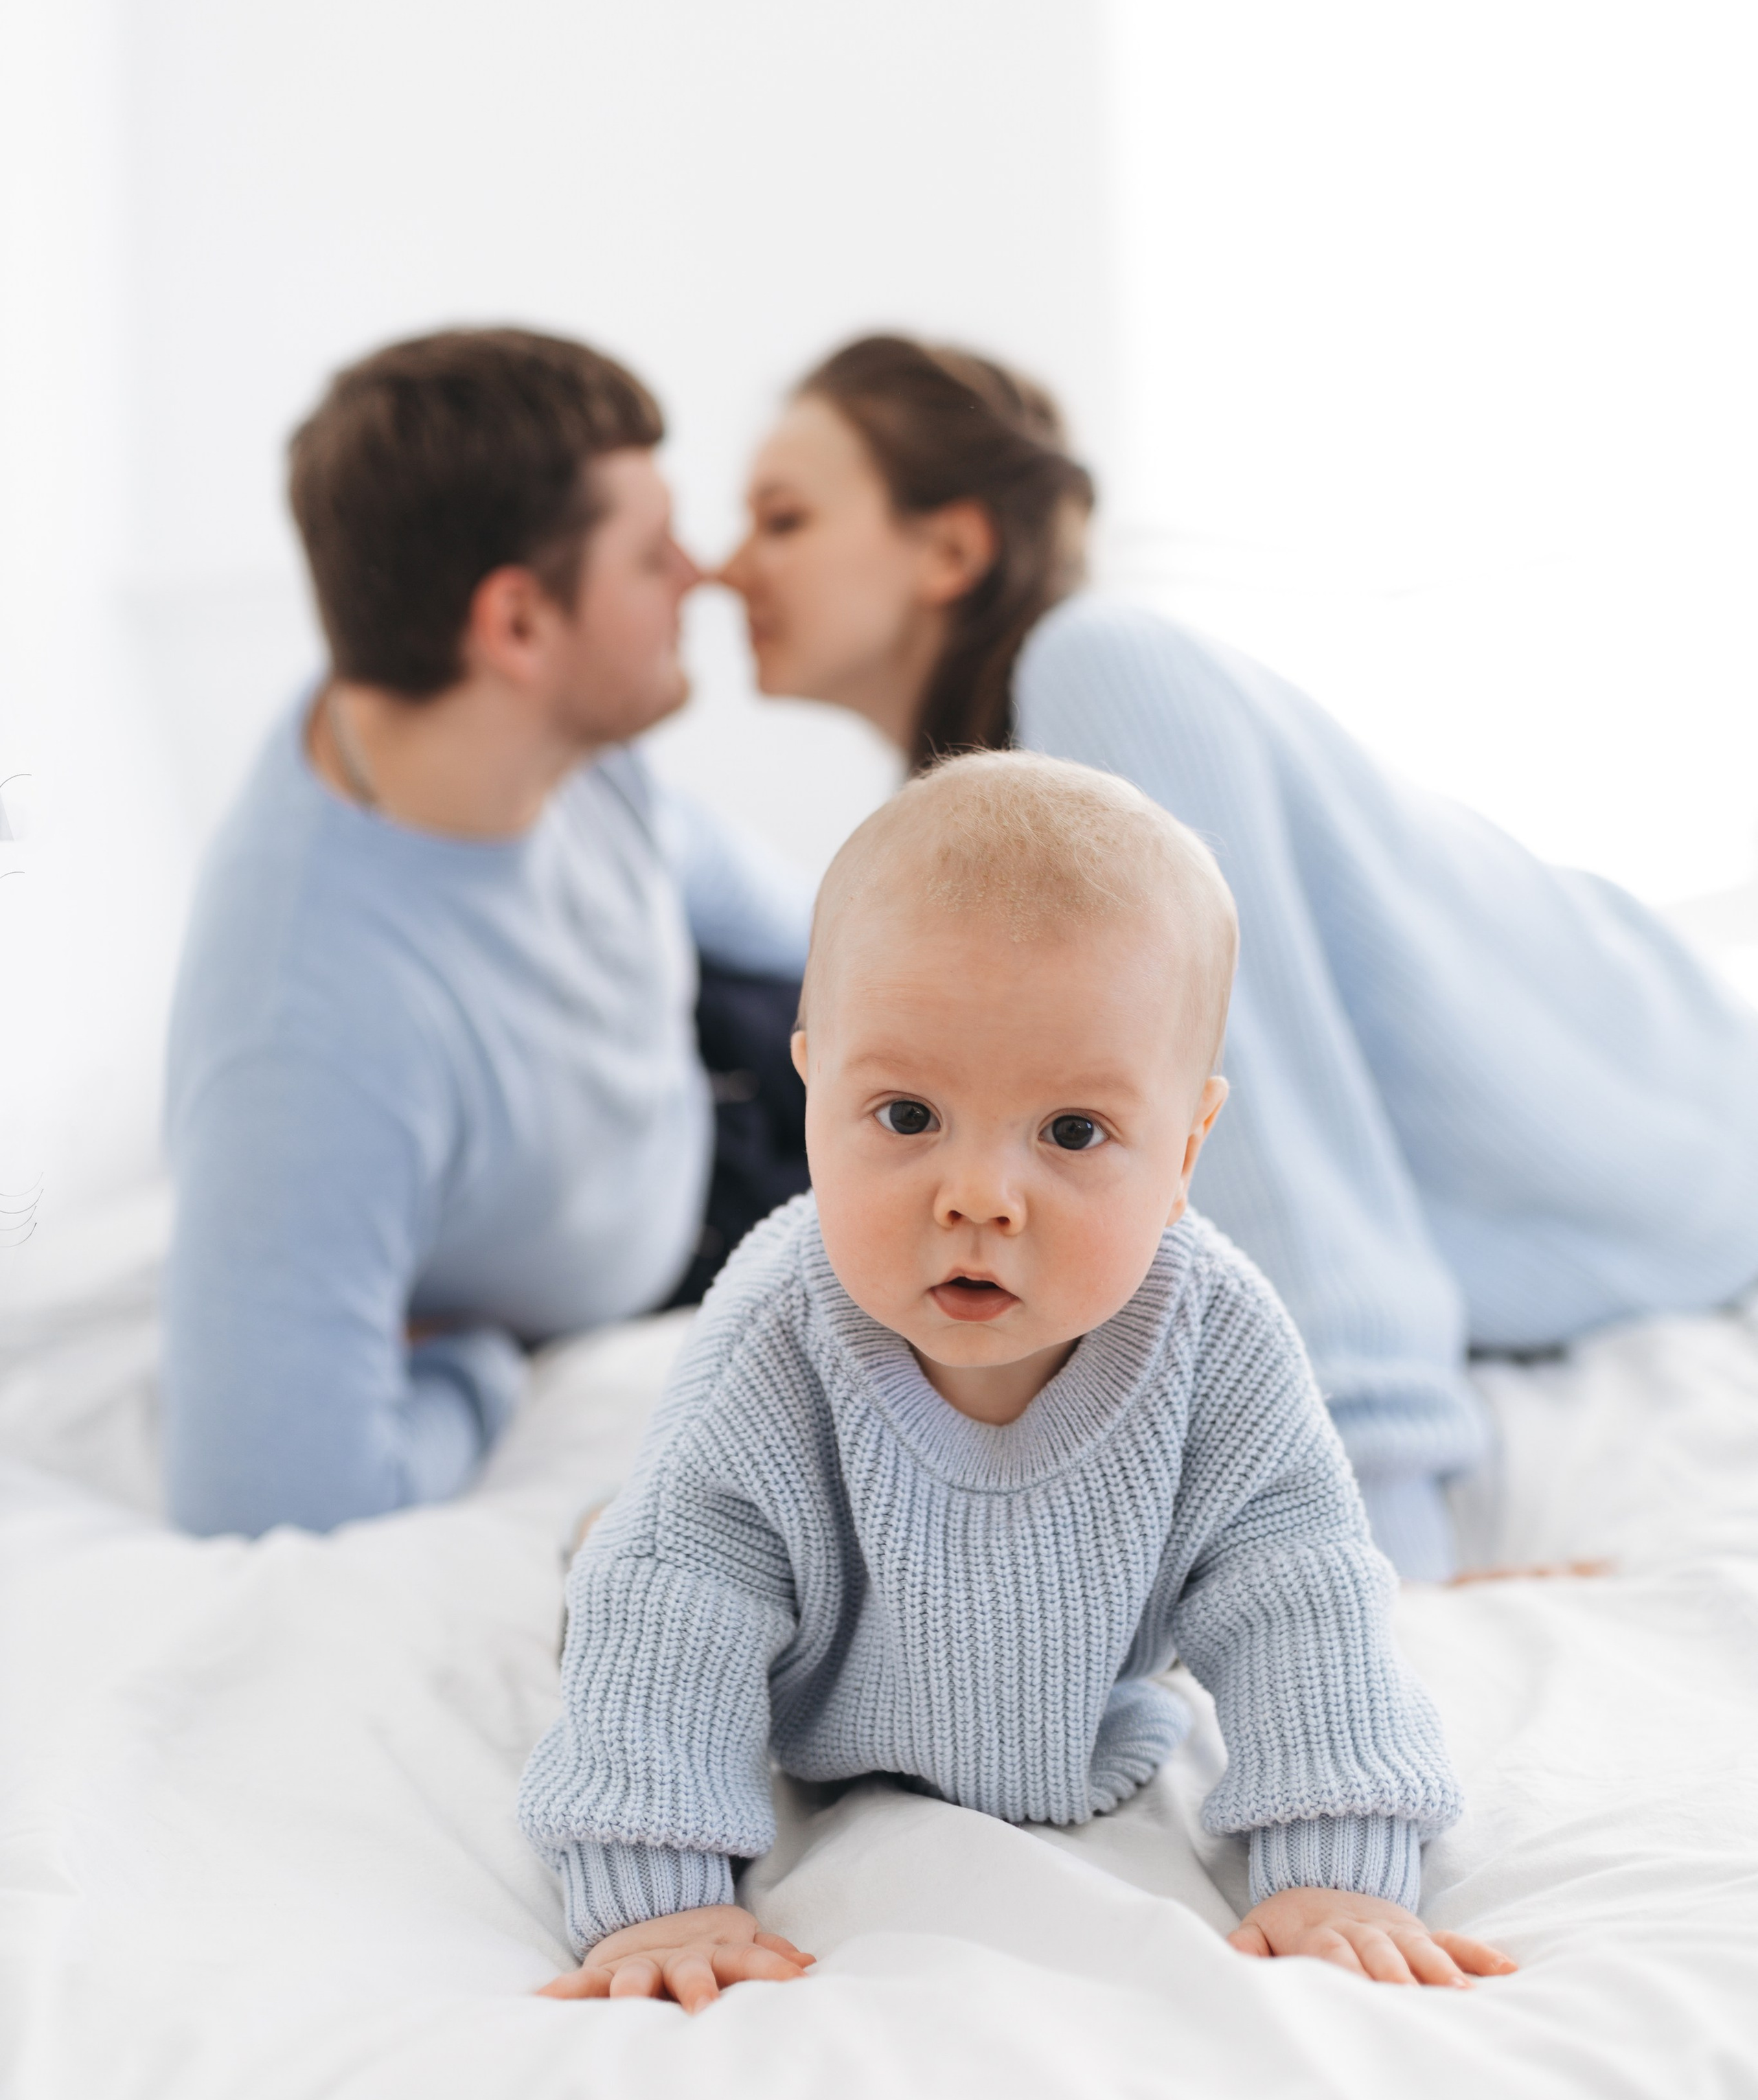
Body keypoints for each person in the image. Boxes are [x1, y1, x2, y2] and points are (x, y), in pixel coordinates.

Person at [717, 334, 1758, 1579]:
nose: (727, 569)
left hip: (1691, 1108)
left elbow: (1275, 1133)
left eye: (781, 520)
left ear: (951, 548)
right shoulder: (991, 830)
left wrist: (1377, 1551)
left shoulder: (1101, 666)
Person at [522, 753, 1516, 2009]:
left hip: (1078, 1717)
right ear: (813, 1083)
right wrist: (659, 1893)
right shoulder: (775, 1341)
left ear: (1187, 1149)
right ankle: (602, 1527)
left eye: (1073, 1133)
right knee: (644, 1565)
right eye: (905, 1116)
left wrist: (1336, 1865)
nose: (980, 1196)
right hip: (816, 1692)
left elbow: (1298, 1593)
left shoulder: (1215, 1341)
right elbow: (678, 1615)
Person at [162, 328, 811, 1536]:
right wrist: (480, 1362)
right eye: (650, 554)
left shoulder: (563, 752)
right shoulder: (310, 1044)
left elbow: (812, 937)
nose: (703, 574)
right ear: (516, 625)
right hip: (677, 1246)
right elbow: (266, 1503)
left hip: (727, 1075)